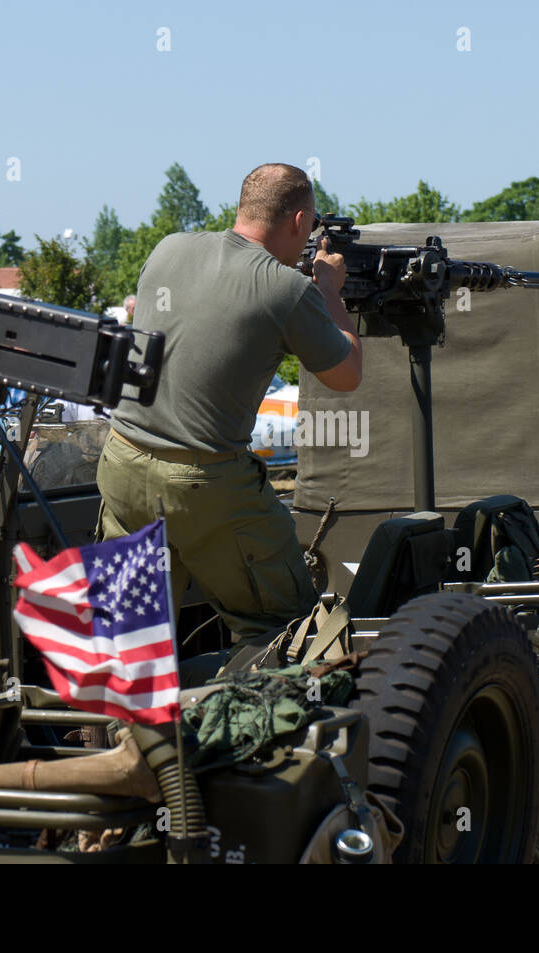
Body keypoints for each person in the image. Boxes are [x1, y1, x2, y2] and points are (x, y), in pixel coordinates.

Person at [95, 162, 361, 655]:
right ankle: (250, 716)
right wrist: (328, 291)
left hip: (121, 461)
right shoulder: (289, 289)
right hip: (204, 484)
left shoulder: (169, 248)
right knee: (297, 635)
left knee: (128, 642)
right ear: (300, 222)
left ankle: (127, 728)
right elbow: (347, 374)